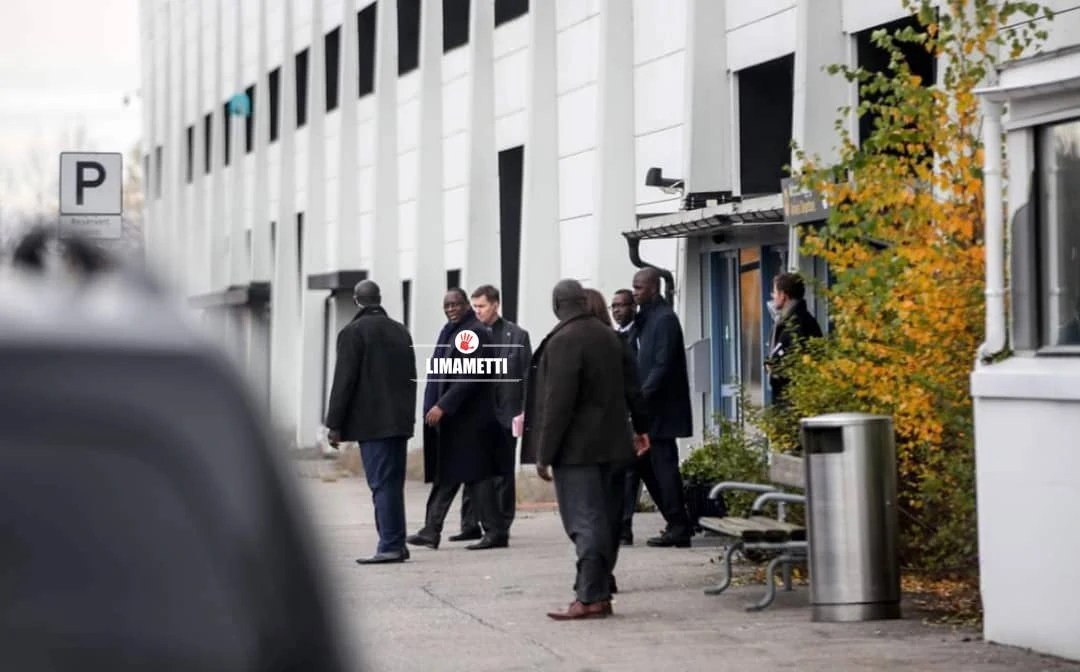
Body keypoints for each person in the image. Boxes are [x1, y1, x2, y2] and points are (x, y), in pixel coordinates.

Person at [522, 280, 649, 620]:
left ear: (557, 304)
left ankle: (590, 598)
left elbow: (557, 403)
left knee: (585, 523)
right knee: (605, 522)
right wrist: (642, 428)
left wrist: (544, 452)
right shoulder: (611, 336)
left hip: (578, 452)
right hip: (616, 446)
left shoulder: (564, 341)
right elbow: (633, 388)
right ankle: (599, 593)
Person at [325, 280, 418, 564]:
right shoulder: (401, 331)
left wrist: (334, 424)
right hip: (398, 423)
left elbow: (344, 381)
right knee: (392, 484)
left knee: (381, 485)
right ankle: (396, 543)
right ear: (379, 299)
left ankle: (389, 545)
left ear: (357, 301)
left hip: (372, 424)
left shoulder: (353, 333)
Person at [407, 289, 506, 551]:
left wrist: (443, 405)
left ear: (466, 306)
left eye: (456, 304)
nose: (451, 308)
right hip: (453, 422)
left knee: (478, 477)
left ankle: (495, 531)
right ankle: (431, 530)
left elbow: (470, 377)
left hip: (469, 421)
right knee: (447, 475)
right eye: (447, 305)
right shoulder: (449, 331)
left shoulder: (472, 333)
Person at [449, 285, 532, 545]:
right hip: (475, 415)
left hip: (507, 412)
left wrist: (526, 411)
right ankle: (470, 524)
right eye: (474, 306)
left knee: (503, 473)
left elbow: (528, 376)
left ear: (495, 305)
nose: (477, 311)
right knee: (472, 470)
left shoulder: (517, 335)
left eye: (481, 306)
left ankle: (501, 525)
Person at [582, 288, 649, 594]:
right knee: (609, 510)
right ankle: (604, 571)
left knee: (587, 512)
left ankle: (592, 573)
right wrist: (641, 428)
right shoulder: (618, 343)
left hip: (583, 444)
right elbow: (634, 391)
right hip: (615, 437)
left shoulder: (572, 344)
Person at [630, 267, 693, 548]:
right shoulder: (647, 318)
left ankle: (679, 525)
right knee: (647, 466)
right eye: (634, 288)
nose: (635, 293)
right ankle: (675, 521)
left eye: (639, 288)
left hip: (663, 410)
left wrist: (641, 397)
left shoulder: (665, 319)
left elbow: (662, 364)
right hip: (650, 410)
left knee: (665, 467)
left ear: (654, 288)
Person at [610, 288, 642, 545]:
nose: (617, 310)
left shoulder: (638, 334)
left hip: (634, 415)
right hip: (618, 415)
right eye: (614, 306)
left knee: (631, 475)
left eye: (622, 305)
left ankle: (624, 525)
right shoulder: (611, 337)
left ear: (633, 307)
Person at [766, 272, 823, 405]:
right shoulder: (800, 320)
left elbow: (778, 360)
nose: (773, 296)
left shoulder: (795, 324)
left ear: (783, 295)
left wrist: (771, 364)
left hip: (793, 401)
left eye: (775, 292)